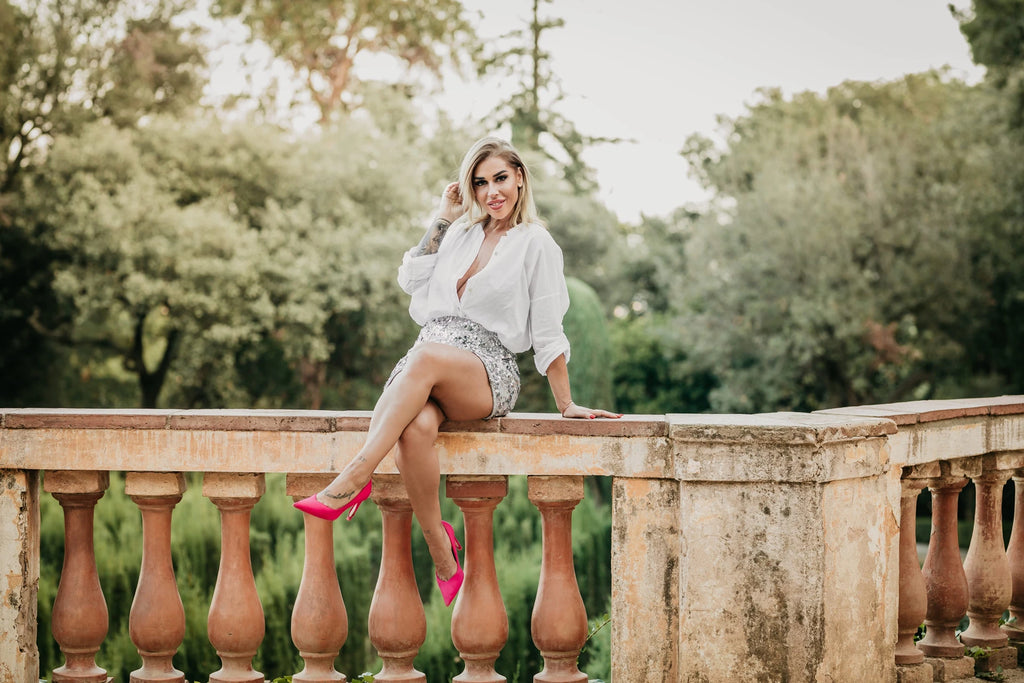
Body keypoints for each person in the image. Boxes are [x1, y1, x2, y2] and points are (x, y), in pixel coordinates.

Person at [294, 136, 620, 606]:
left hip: (487, 373)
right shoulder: (461, 233)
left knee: (424, 359)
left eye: (501, 178)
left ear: (520, 178)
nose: (492, 192)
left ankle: (356, 473)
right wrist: (443, 218)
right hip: (429, 361)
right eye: (480, 182)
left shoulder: (537, 244)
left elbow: (548, 329)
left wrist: (565, 403)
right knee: (416, 427)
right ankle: (440, 547)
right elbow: (410, 279)